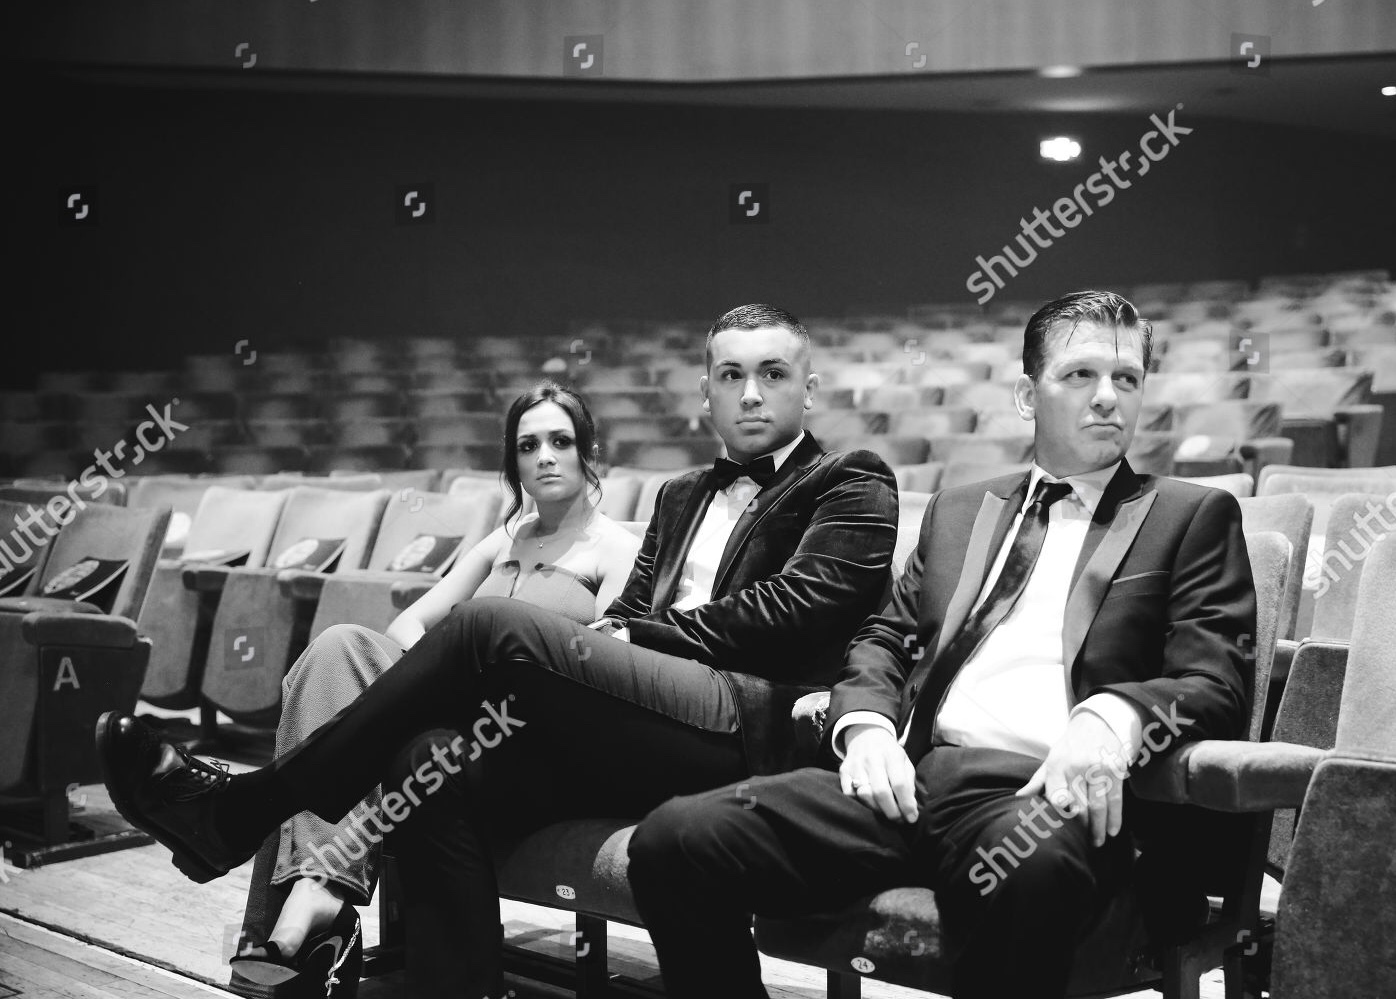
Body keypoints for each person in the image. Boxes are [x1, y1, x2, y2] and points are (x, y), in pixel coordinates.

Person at [96, 303, 900, 999]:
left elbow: (791, 612)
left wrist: (634, 637)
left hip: (740, 722)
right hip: (640, 728)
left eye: (772, 373)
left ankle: (241, 809)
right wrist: (621, 635)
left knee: (486, 626)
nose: (751, 392)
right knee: (426, 758)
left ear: (808, 387)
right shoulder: (681, 494)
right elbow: (628, 609)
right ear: (706, 392)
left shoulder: (852, 480)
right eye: (731, 374)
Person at [625, 290, 1258, 999]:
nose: (1107, 396)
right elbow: (884, 638)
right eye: (1080, 374)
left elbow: (1217, 680)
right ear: (1028, 395)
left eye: (1127, 378)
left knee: (1028, 867)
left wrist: (1112, 717)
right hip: (910, 780)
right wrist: (865, 727)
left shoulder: (1189, 515)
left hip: (1038, 794)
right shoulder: (960, 510)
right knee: (676, 839)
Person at [226, 381, 640, 992]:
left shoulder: (618, 549)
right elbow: (410, 623)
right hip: (452, 715)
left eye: (561, 441)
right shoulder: (505, 540)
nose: (545, 457)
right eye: (528, 446)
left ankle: (300, 909)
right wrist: (439, 676)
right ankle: (317, 889)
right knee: (340, 645)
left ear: (589, 450)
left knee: (364, 728)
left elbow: (604, 667)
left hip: (524, 733)